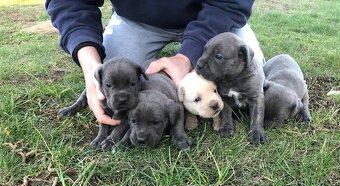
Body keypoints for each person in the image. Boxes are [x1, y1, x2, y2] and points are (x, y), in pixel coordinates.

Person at [46, 0, 264, 127]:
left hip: (214, 18)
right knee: (116, 71)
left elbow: (230, 3)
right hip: (137, 20)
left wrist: (187, 55)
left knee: (254, 71)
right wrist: (91, 65)